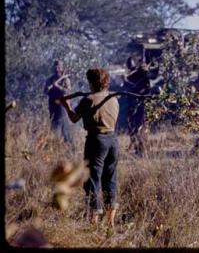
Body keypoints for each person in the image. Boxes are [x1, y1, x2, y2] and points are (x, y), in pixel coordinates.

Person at [59, 68, 120, 229]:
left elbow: (73, 118)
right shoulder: (114, 99)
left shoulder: (88, 100)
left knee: (92, 180)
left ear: (91, 82)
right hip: (113, 141)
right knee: (110, 180)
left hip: (96, 141)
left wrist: (66, 105)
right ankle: (110, 223)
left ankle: (94, 222)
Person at [44, 60, 74, 151]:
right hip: (53, 107)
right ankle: (55, 150)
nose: (57, 68)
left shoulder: (65, 79)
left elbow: (67, 91)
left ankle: (71, 151)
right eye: (55, 66)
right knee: (54, 130)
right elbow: (45, 91)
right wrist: (50, 87)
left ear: (62, 68)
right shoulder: (49, 79)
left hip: (62, 108)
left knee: (65, 130)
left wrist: (57, 85)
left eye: (59, 67)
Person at [123, 57, 151, 156]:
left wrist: (126, 80)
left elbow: (145, 88)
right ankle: (138, 150)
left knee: (140, 127)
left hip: (140, 106)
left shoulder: (139, 74)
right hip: (132, 106)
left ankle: (142, 150)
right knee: (133, 128)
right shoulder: (132, 75)